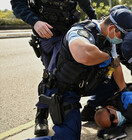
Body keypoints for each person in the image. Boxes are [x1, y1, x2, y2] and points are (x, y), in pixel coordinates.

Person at [27, 8, 132, 140]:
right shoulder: (82, 31)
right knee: (68, 138)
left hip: (82, 85)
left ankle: (90, 108)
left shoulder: (108, 38)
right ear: (113, 28)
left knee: (114, 83)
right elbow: (82, 55)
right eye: (121, 37)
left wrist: (124, 90)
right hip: (64, 90)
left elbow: (116, 64)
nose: (121, 41)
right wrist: (105, 57)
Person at [11, 0, 97, 136]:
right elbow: (17, 4)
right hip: (45, 35)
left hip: (67, 33)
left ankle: (44, 115)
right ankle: (42, 115)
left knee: (55, 74)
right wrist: (35, 22)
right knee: (50, 75)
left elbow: (85, 4)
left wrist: (95, 21)